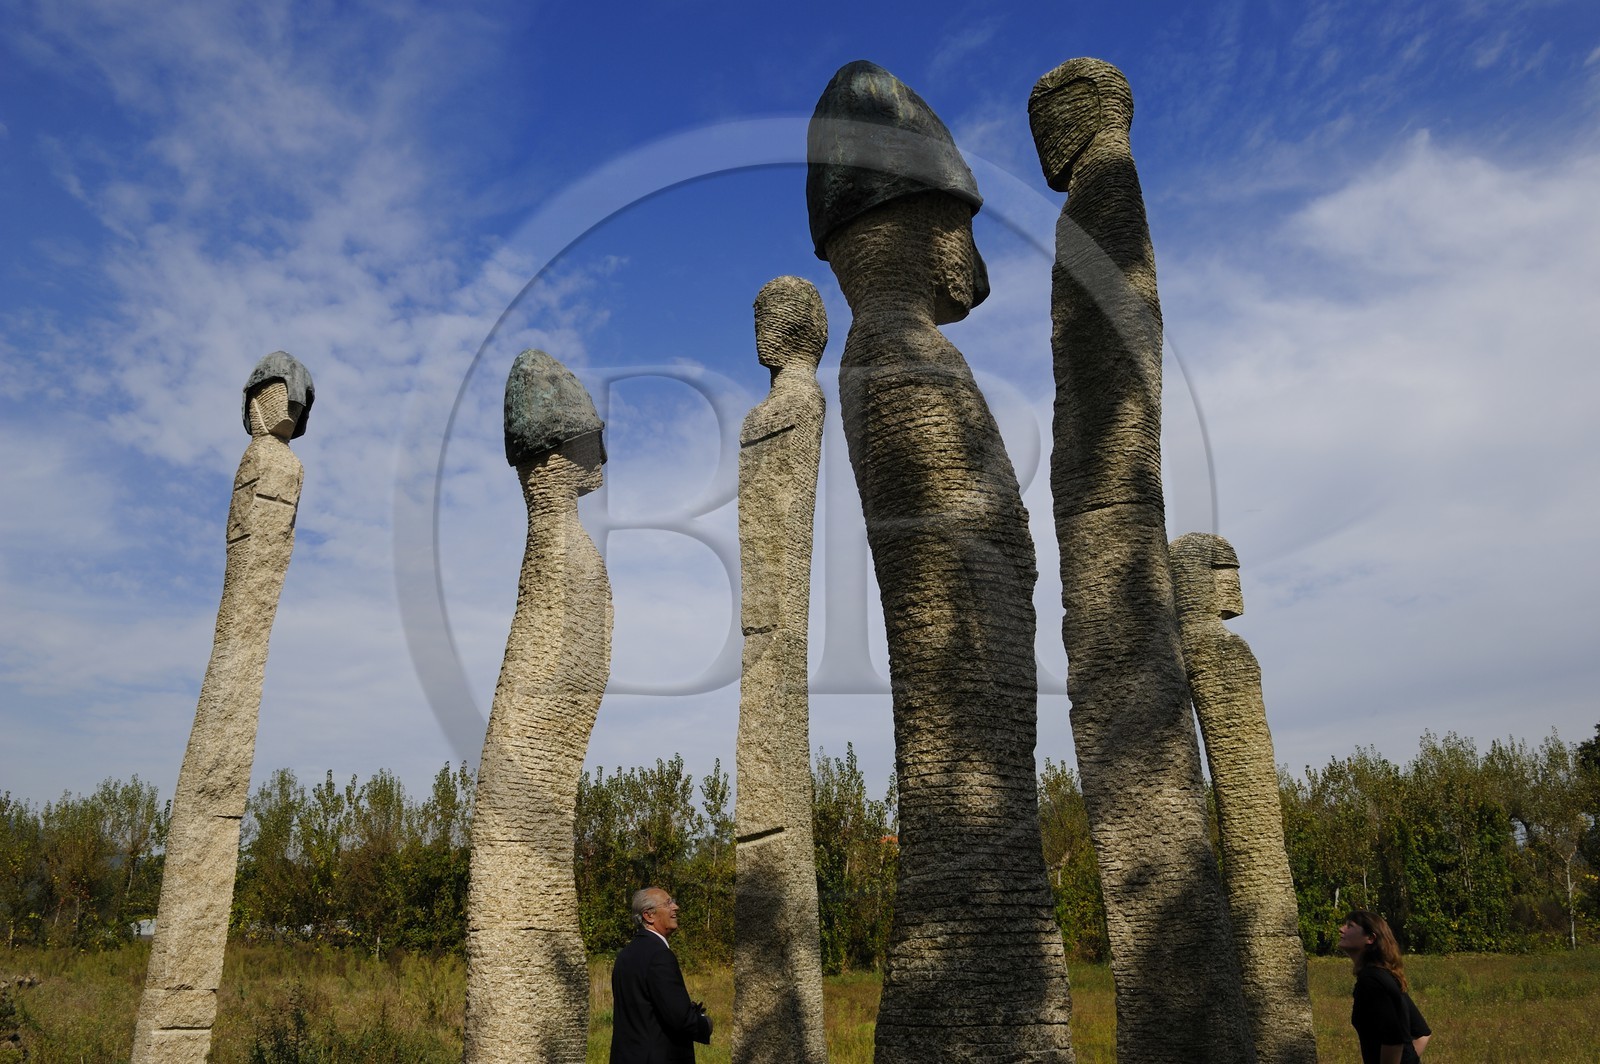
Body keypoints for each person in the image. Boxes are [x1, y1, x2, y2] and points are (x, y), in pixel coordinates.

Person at [609, 887, 712, 1063]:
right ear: (649, 916)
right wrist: (705, 1024)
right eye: (668, 903)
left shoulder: (625, 954)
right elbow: (679, 1018)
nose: (676, 907)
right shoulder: (660, 955)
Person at [1339, 910, 1432, 1064]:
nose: (1341, 929)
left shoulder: (1372, 981)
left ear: (1370, 938)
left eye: (1350, 926)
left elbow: (1394, 1039)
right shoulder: (1385, 977)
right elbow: (1422, 1033)